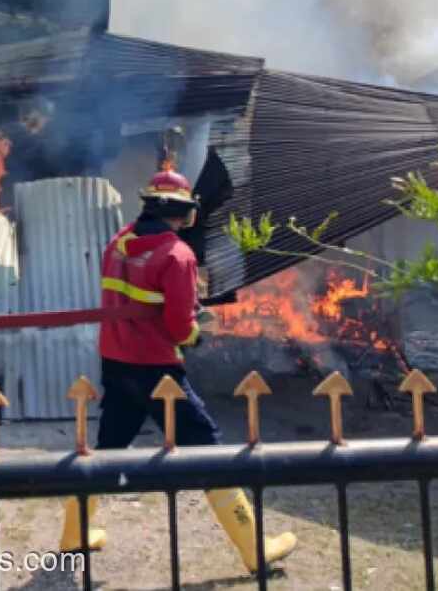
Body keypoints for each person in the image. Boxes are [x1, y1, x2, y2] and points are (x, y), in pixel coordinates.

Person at [58, 170, 298, 574]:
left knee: (107, 449)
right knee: (207, 449)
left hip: (117, 362)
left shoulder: (118, 243)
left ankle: (72, 535)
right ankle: (256, 549)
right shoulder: (178, 255)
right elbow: (176, 327)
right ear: (184, 212)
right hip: (157, 369)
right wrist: (196, 333)